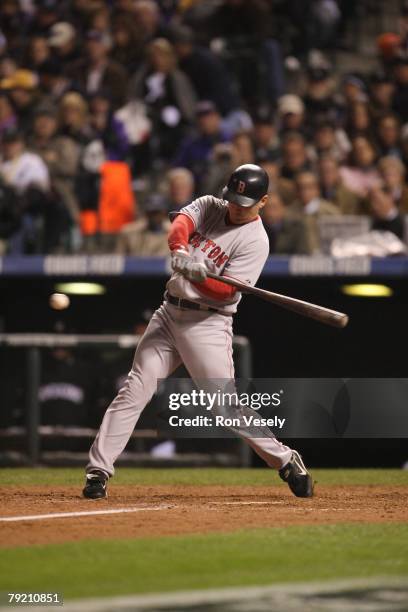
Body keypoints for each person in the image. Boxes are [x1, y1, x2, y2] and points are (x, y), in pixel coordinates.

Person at [83, 163, 314, 500]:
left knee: (224, 407)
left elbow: (227, 293)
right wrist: (179, 250)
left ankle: (285, 458)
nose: (235, 207)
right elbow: (181, 223)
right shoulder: (212, 206)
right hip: (168, 314)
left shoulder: (256, 241)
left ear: (262, 201)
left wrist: (199, 276)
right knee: (135, 388)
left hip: (207, 323)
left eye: (243, 202)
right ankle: (98, 472)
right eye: (232, 199)